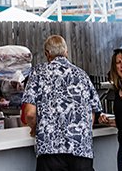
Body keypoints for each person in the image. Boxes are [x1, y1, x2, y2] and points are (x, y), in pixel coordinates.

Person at [22, 35, 102, 170]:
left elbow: (30, 114)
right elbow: (93, 114)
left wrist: (35, 128)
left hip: (50, 152)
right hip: (81, 151)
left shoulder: (38, 74)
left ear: (47, 54)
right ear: (66, 52)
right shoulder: (82, 75)